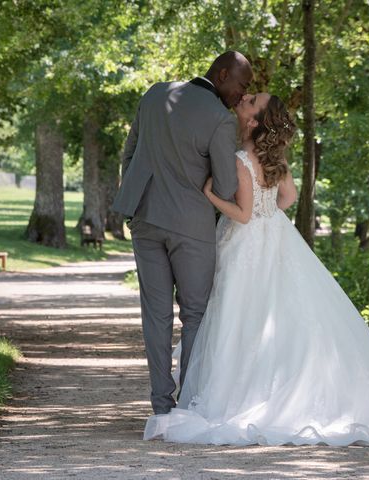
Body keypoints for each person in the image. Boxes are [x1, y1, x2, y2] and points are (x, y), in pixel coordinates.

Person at [143, 93, 369, 446]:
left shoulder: (242, 160)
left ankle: (242, 391)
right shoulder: (275, 160)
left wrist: (211, 196)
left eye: (253, 100)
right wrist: (268, 211)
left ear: (255, 121)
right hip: (275, 234)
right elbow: (287, 199)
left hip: (246, 242)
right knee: (281, 313)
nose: (247, 98)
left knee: (241, 314)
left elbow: (243, 216)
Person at [112, 51, 253, 415]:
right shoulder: (220, 119)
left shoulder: (156, 94)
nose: (243, 93)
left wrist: (137, 200)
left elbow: (129, 154)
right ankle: (188, 406)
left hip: (144, 219)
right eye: (242, 84)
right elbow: (223, 186)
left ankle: (161, 406)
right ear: (222, 75)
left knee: (155, 315)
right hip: (192, 227)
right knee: (194, 314)